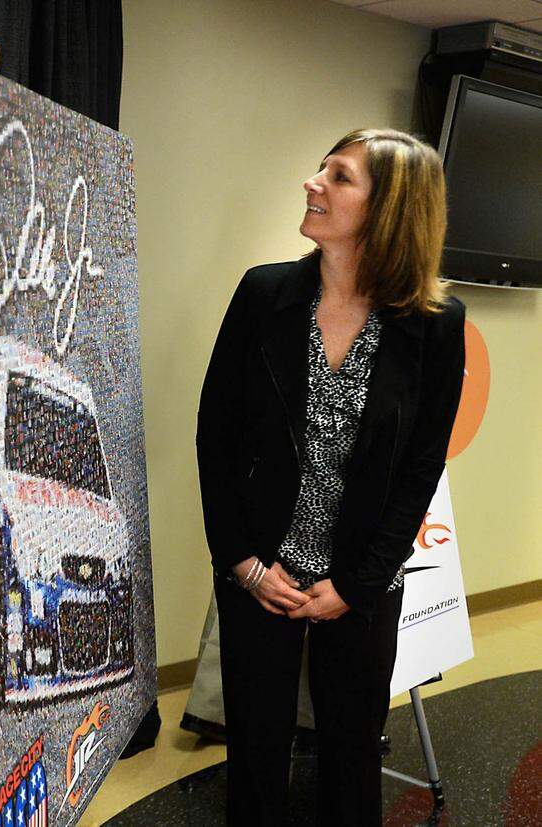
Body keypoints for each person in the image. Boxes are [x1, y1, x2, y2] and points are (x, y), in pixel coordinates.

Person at [195, 128, 465, 826]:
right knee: (254, 753)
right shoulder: (264, 294)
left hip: (362, 581)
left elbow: (419, 469)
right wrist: (245, 563)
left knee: (351, 760)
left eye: (338, 177)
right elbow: (214, 440)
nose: (312, 182)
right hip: (264, 573)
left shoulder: (435, 326)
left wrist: (356, 584)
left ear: (389, 212)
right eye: (320, 169)